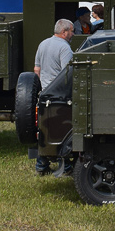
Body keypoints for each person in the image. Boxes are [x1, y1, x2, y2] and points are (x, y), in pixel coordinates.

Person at [33, 19, 75, 175]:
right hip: (60, 97)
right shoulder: (65, 48)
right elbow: (67, 74)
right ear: (64, 32)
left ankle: (41, 166)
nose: (73, 34)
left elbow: (36, 69)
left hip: (45, 95)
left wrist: (43, 88)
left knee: (45, 131)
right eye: (71, 31)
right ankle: (66, 168)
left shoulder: (43, 44)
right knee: (63, 131)